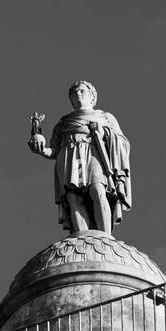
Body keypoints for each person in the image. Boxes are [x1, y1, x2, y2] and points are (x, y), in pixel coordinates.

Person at [28, 81, 131, 233]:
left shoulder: (105, 117)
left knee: (98, 189)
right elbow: (54, 151)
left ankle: (104, 235)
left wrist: (102, 133)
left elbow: (122, 142)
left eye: (82, 91)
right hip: (68, 156)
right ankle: (82, 234)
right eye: (74, 93)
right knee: (73, 197)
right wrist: (40, 149)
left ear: (92, 96)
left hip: (94, 153)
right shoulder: (63, 123)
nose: (78, 95)